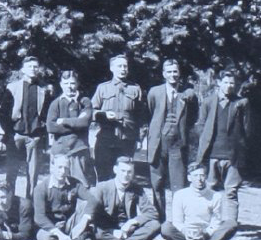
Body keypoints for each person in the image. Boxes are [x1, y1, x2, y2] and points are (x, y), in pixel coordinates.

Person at [193, 68, 251, 222]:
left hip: (233, 156)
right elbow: (200, 124)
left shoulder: (241, 103)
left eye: (232, 83)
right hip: (211, 154)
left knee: (231, 191)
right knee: (208, 190)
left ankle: (230, 226)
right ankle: (206, 223)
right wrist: (204, 140)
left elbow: (247, 129)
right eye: (225, 82)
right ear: (219, 83)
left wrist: (241, 148)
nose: (229, 86)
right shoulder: (208, 102)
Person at [146, 59, 198, 220]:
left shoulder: (188, 94)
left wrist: (181, 131)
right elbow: (150, 113)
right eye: (169, 72)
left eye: (175, 71)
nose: (172, 75)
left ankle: (177, 224)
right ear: (163, 74)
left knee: (179, 186)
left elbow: (193, 117)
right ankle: (158, 221)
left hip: (178, 144)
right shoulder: (154, 92)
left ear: (179, 73)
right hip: (158, 143)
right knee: (157, 184)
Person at [0, 56, 51, 198]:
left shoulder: (43, 90)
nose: (33, 69)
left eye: (35, 66)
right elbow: (2, 113)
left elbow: (46, 115)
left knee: (33, 175)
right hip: (16, 136)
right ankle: (9, 204)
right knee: (11, 173)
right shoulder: (12, 87)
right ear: (22, 70)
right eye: (29, 66)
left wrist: (41, 134)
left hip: (34, 138)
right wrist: (9, 132)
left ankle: (30, 206)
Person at [161, 163, 237, 240]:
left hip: (205, 235)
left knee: (231, 224)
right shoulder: (180, 195)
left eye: (202, 175)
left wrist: (205, 234)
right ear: (189, 178)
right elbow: (177, 221)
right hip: (186, 234)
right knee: (166, 227)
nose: (199, 179)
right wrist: (185, 231)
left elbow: (215, 222)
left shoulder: (215, 196)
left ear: (206, 177)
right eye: (195, 176)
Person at [91, 55, 145, 181]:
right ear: (112, 68)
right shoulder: (103, 88)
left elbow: (141, 118)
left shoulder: (135, 89)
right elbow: (92, 111)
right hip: (106, 139)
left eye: (125, 66)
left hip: (127, 141)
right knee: (104, 177)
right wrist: (103, 114)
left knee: (124, 178)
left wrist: (139, 139)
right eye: (119, 66)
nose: (123, 69)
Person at [91, 157, 160, 240]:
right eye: (122, 171)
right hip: (108, 230)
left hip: (128, 231)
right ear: (115, 170)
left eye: (129, 172)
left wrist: (132, 222)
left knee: (155, 225)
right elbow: (94, 214)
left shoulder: (136, 188)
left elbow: (152, 212)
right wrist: (112, 231)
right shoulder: (102, 187)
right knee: (97, 232)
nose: (126, 175)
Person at [33, 154, 99, 240]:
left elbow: (92, 200)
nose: (63, 172)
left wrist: (83, 221)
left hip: (69, 224)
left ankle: (78, 237)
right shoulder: (41, 188)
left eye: (66, 168)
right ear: (52, 168)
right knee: (46, 239)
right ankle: (78, 239)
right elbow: (39, 217)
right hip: (50, 226)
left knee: (85, 205)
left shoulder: (75, 184)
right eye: (59, 167)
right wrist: (58, 234)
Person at [45, 70, 95, 187]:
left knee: (83, 185)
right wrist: (75, 125)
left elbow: (84, 122)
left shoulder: (84, 102)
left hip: (79, 150)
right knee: (59, 185)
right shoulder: (55, 103)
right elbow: (51, 127)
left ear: (77, 84)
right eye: (66, 83)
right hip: (60, 151)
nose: (69, 87)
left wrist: (63, 121)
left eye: (72, 83)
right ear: (61, 84)